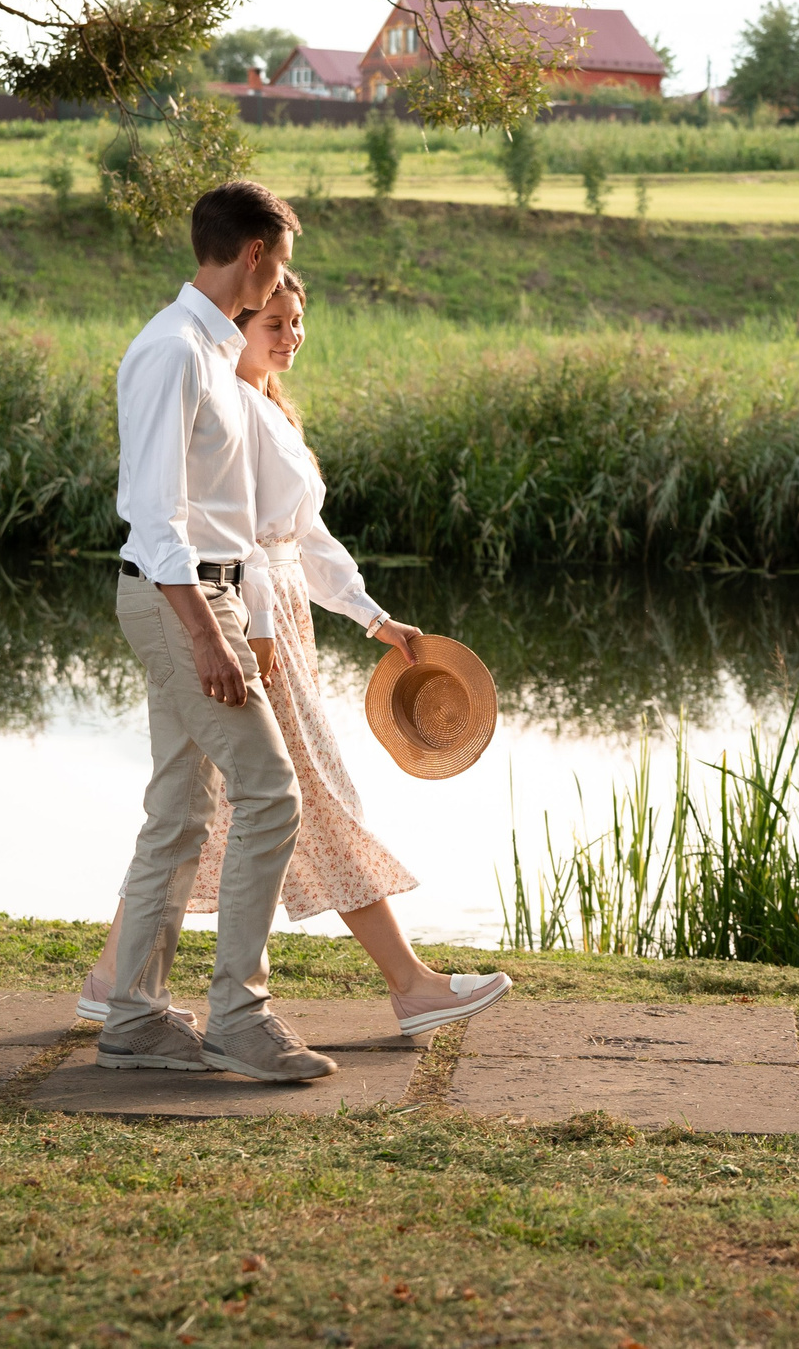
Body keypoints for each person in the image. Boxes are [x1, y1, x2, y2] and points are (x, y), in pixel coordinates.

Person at [81, 269, 512, 1038]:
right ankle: (410, 985)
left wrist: (372, 615)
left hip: (275, 612)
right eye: (274, 322)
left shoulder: (268, 407)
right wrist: (256, 629)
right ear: (238, 325)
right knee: (308, 791)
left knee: (203, 800)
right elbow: (233, 531)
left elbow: (303, 540)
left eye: (298, 320)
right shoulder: (227, 400)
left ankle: (114, 975)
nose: (291, 335)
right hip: (248, 618)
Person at [101, 180, 334, 1082]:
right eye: (276, 260)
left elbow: (236, 510)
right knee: (271, 792)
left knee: (181, 809)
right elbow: (155, 515)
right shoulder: (173, 353)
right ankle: (240, 1014)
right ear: (251, 255)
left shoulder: (216, 349)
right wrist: (207, 633)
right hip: (182, 599)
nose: (279, 277)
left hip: (209, 594)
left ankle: (135, 1017)